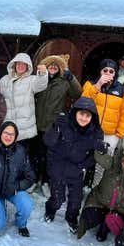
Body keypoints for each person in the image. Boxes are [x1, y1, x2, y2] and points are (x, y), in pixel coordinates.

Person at [43, 97, 103, 234]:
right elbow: (48, 142)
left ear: (92, 117)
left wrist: (84, 164)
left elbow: (94, 157)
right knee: (58, 198)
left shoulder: (96, 132)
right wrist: (54, 128)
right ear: (75, 113)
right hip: (58, 165)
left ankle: (71, 218)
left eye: (88, 115)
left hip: (76, 168)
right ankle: (50, 210)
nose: (84, 118)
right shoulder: (63, 123)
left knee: (76, 201)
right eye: (81, 114)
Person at [32, 54, 82, 194]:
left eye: (56, 65)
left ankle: (46, 182)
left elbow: (77, 93)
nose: (53, 67)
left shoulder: (64, 82)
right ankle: (36, 179)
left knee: (50, 156)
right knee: (36, 155)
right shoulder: (41, 80)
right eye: (50, 65)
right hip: (37, 123)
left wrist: (71, 78)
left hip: (52, 126)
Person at [81, 59, 124, 186]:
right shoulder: (90, 84)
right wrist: (98, 85)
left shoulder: (122, 91)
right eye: (105, 70)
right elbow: (83, 102)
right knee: (83, 161)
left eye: (111, 71)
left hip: (110, 135)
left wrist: (118, 134)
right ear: (100, 71)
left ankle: (95, 190)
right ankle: (78, 188)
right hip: (90, 130)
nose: (108, 73)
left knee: (102, 166)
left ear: (115, 74)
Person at [0, 53, 48, 145]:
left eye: (24, 64)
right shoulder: (5, 80)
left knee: (21, 154)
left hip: (25, 128)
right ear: (14, 65)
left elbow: (41, 84)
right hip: (8, 126)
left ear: (28, 67)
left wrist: (43, 74)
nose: (20, 66)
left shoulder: (31, 80)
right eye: (18, 63)